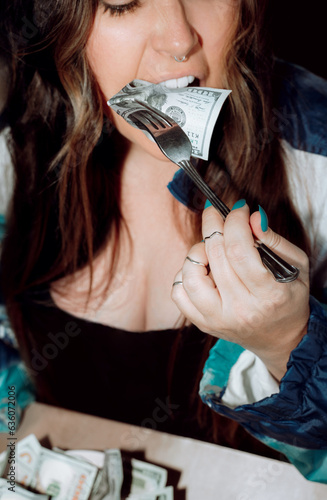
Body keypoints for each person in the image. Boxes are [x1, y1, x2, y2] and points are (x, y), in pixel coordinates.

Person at [0, 0, 326, 483]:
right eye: (122, 2)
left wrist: (289, 344)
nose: (178, 40)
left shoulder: (315, 157)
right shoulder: (15, 145)